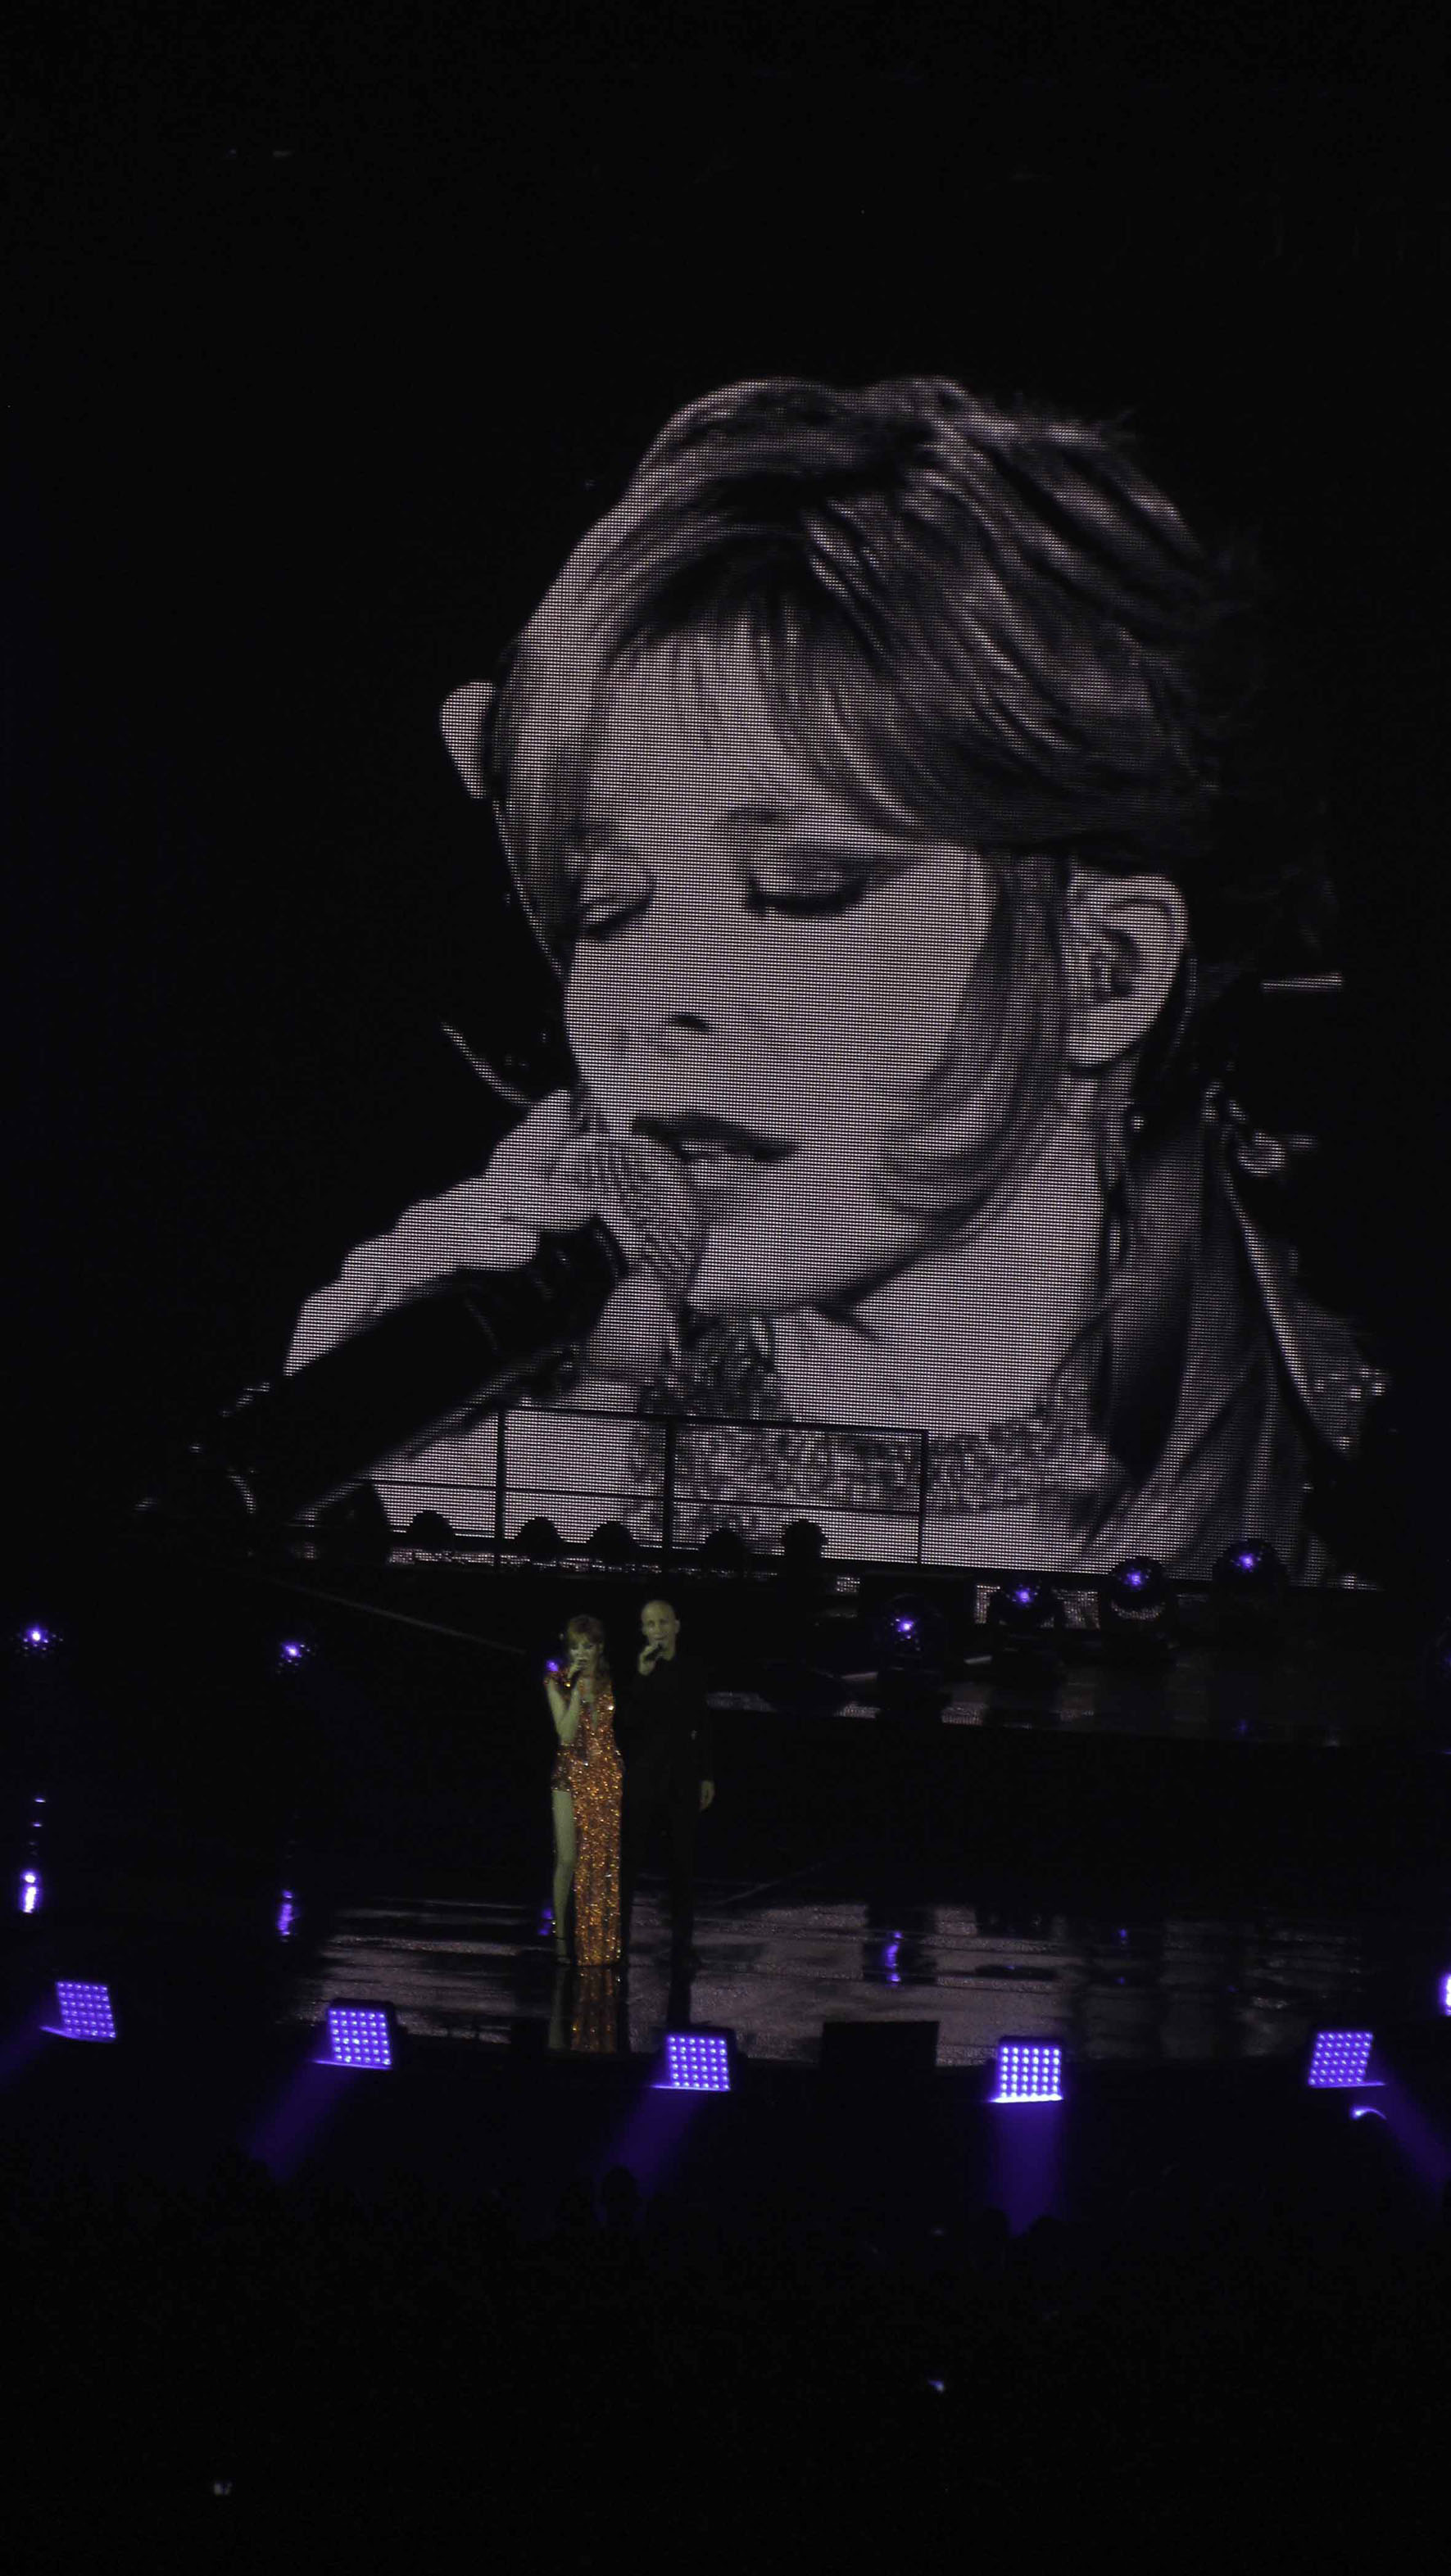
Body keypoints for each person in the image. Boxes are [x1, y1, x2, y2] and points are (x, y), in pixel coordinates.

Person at [285, 373, 1386, 1578]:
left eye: (802, 889)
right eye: (610, 908)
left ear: (1105, 967)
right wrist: (470, 1563)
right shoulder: (556, 1452)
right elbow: (582, 1779)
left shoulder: (1350, 1450)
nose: (658, 996)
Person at [615, 1599, 714, 1970]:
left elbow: (702, 1723)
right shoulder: (639, 1670)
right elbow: (627, 1723)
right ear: (644, 1631)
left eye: (662, 1622)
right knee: (630, 1863)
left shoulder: (692, 1669)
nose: (657, 1629)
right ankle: (618, 1943)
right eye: (650, 1624)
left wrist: (706, 1773)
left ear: (676, 1625)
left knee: (682, 1867)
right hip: (644, 1778)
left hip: (683, 1778)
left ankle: (682, 1947)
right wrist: (641, 1677)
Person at [542, 1613, 621, 1966]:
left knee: (599, 1862)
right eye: (576, 1646)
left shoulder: (609, 1682)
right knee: (569, 1859)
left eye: (588, 1646)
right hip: (568, 1777)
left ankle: (598, 1942)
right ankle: (561, 1938)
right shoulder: (555, 1682)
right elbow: (567, 1735)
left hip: (603, 1777)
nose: (582, 1652)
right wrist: (575, 1693)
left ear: (600, 1648)